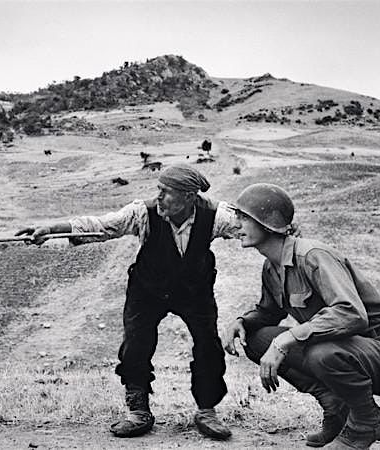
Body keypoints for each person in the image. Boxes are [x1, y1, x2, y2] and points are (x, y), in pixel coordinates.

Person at [16, 164, 240, 440]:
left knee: (208, 344)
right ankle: (138, 412)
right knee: (136, 345)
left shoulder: (215, 215)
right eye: (158, 190)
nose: (159, 197)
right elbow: (101, 227)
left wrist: (284, 231)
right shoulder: (141, 213)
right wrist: (51, 229)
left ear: (189, 196)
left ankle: (207, 411)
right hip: (148, 290)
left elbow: (250, 226)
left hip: (194, 291)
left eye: (167, 192)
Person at [223, 183, 380, 449]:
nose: (236, 224)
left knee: (321, 352)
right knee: (257, 339)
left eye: (244, 217)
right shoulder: (272, 267)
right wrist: (242, 322)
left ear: (268, 223)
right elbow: (269, 312)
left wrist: (286, 340)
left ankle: (366, 422)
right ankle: (335, 407)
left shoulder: (313, 256)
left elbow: (351, 314)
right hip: (345, 351)